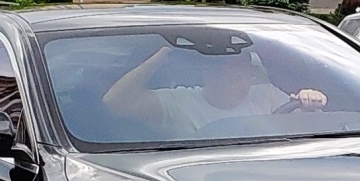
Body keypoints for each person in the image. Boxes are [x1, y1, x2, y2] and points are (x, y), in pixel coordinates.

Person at [104, 41, 327, 137]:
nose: (241, 82)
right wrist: (161, 56)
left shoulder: (266, 95)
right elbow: (114, 103)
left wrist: (309, 103)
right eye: (230, 73)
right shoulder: (177, 102)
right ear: (207, 73)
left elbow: (299, 123)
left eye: (246, 73)